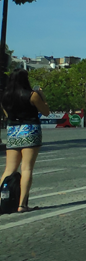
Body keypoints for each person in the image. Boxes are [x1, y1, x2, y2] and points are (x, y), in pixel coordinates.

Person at [0, 69, 50, 212]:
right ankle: (22, 204)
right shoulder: (32, 95)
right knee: (27, 168)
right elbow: (45, 111)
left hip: (13, 131)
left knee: (9, 169)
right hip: (30, 129)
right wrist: (42, 96)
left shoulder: (5, 96)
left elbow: (7, 114)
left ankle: (1, 201)